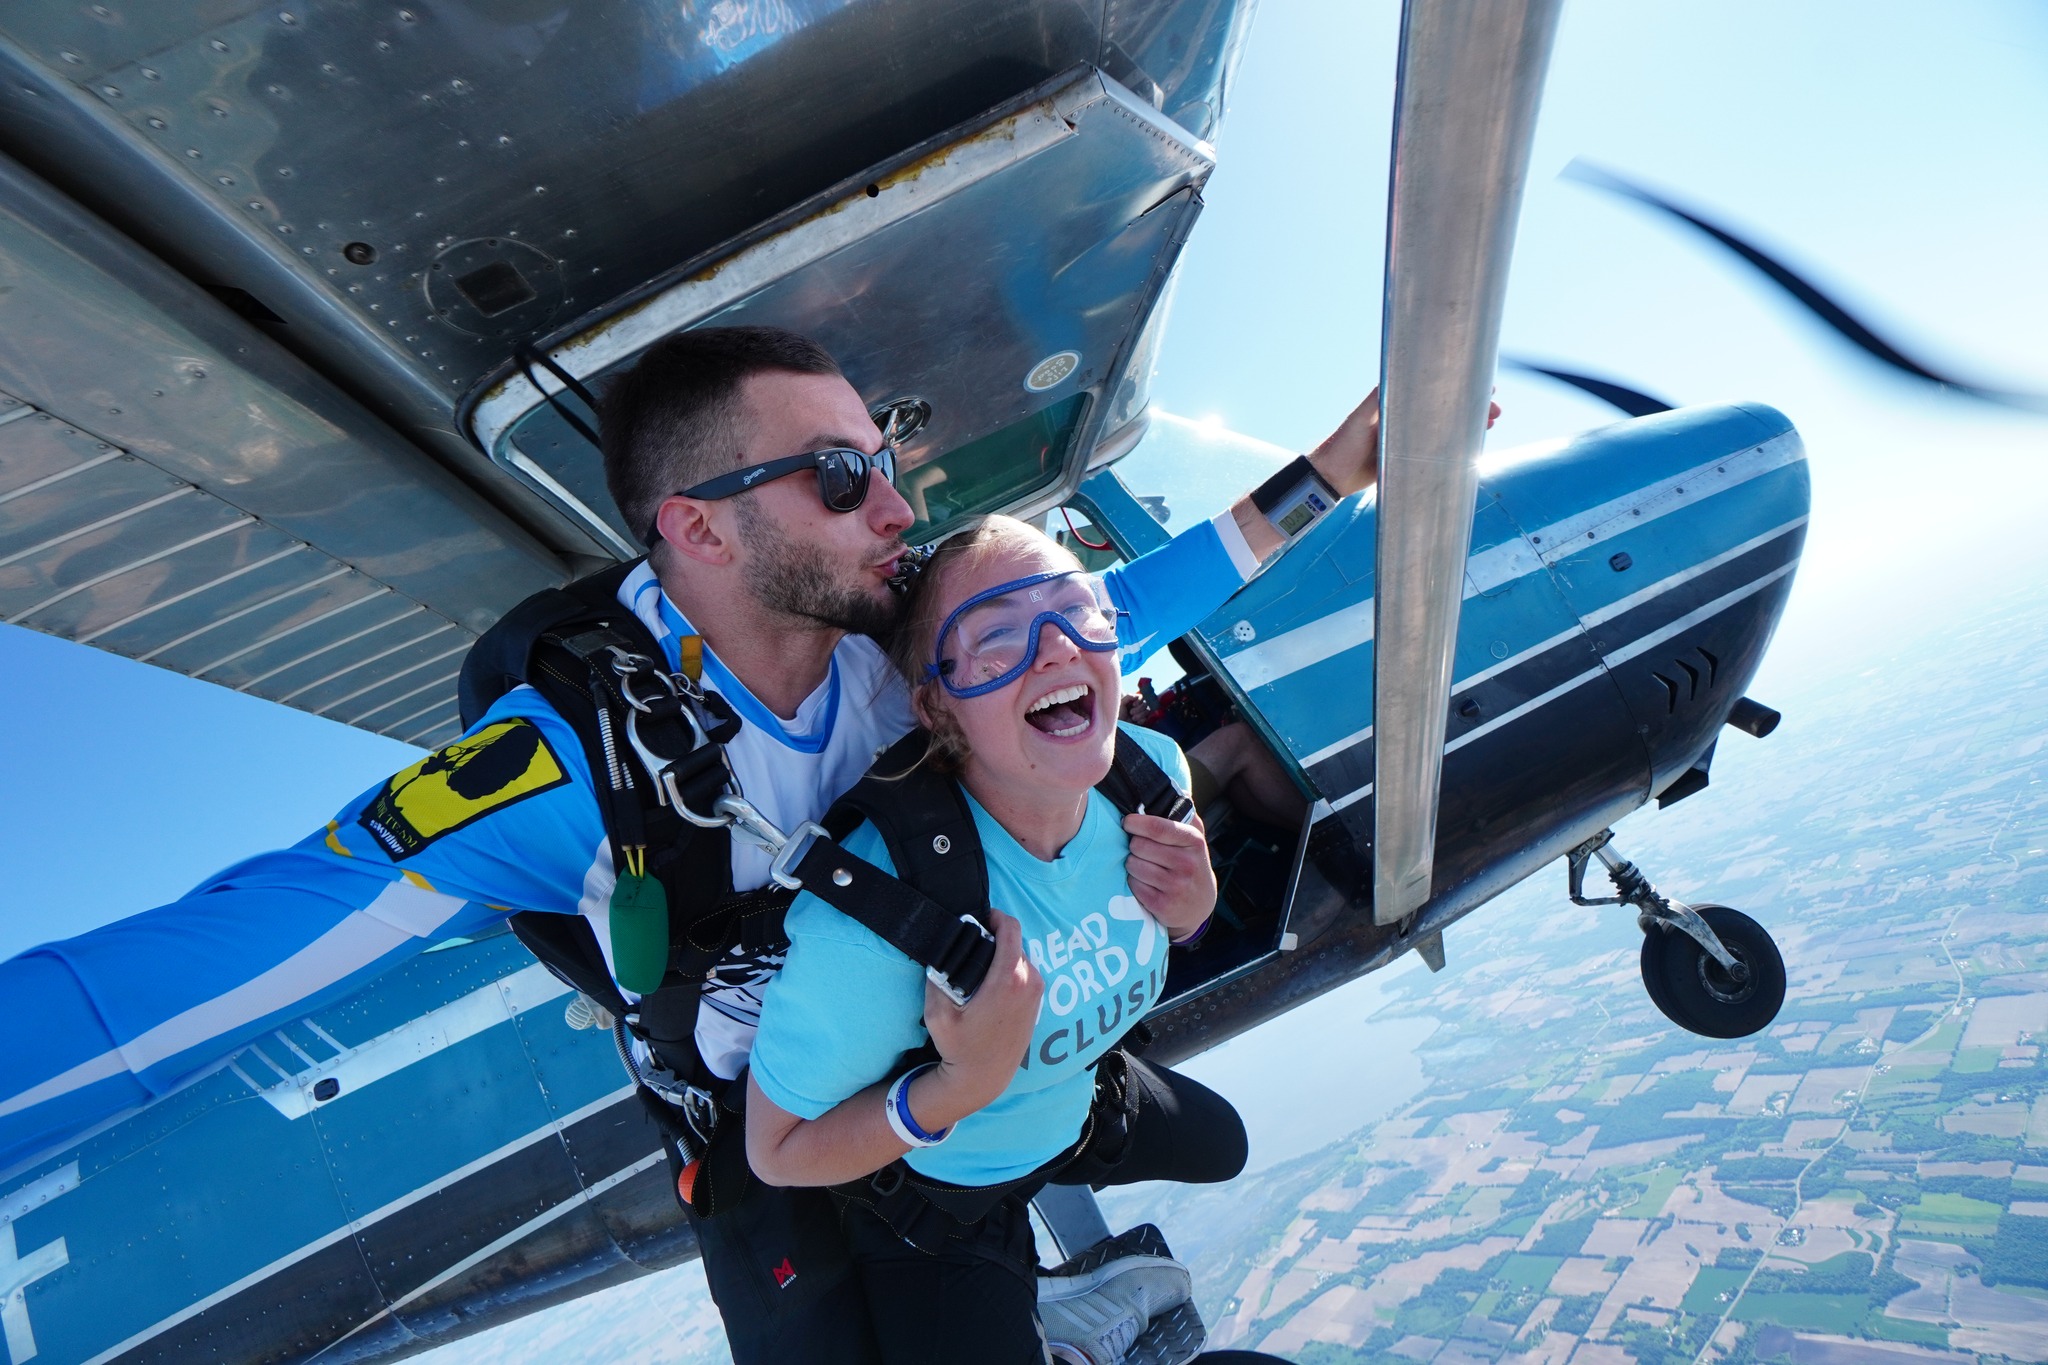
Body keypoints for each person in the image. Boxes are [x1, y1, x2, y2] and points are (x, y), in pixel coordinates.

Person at [0, 326, 1389, 1360]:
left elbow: (1110, 608)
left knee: (1135, 1147)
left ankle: (1026, 1284)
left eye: (887, 460)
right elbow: (188, 973)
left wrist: (1337, 472)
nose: (899, 504)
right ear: (697, 526)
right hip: (760, 1126)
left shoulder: (904, 646)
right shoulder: (566, 764)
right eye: (845, 475)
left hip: (953, 1052)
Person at [745, 514, 1249, 1364]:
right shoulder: (880, 919)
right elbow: (777, 1152)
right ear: (938, 704)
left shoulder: (1151, 775)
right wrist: (962, 1082)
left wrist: (1194, 908)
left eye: (1076, 610)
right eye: (996, 640)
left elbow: (1154, 920)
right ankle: (1047, 1312)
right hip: (942, 1195)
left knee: (1224, 1145)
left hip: (1072, 1101)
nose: (1053, 649)